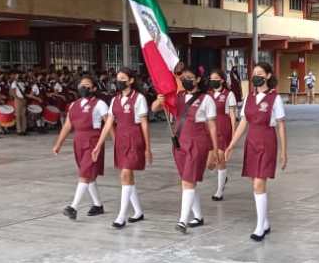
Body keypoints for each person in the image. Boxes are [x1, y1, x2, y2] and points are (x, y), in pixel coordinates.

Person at [154, 68, 222, 233]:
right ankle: (198, 216)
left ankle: (182, 221)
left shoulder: (206, 99)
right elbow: (154, 108)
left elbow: (212, 126)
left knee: (187, 181)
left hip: (197, 143)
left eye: (190, 77)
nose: (186, 80)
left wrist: (214, 150)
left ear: (198, 79)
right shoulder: (177, 97)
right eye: (183, 77)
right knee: (188, 181)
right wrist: (159, 100)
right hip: (179, 143)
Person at [225, 62, 288, 241]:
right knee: (255, 183)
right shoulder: (249, 98)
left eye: (260, 73)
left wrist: (284, 151)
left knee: (259, 184)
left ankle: (260, 227)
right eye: (254, 74)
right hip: (251, 141)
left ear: (268, 76)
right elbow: (243, 123)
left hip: (267, 141)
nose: (256, 76)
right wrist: (231, 145)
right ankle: (265, 221)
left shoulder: (275, 98)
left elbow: (281, 125)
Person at [92, 68, 151, 229]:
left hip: (134, 138)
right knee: (127, 177)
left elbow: (144, 124)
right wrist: (98, 145)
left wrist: (147, 147)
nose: (119, 81)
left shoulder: (139, 98)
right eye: (117, 78)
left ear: (131, 80)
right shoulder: (115, 100)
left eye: (123, 78)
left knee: (125, 174)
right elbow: (108, 124)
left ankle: (121, 216)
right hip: (121, 139)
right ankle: (138, 212)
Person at [53, 74, 108, 220]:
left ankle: (73, 207)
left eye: (87, 85)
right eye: (81, 85)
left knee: (85, 173)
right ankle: (98, 205)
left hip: (93, 141)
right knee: (88, 175)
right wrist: (58, 144)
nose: (83, 87)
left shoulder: (100, 104)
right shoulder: (74, 105)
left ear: (94, 88)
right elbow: (67, 126)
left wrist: (116, 142)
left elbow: (109, 124)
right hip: (78, 141)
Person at [208, 69, 238, 201]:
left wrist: (234, 133)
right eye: (211, 79)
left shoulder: (229, 94)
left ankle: (219, 191)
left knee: (220, 158)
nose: (213, 81)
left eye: (216, 78)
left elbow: (232, 115)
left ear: (222, 80)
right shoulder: (208, 95)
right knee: (210, 164)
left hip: (223, 128)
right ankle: (223, 176)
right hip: (210, 128)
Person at [10, 71, 28, 135]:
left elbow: (24, 92)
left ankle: (24, 129)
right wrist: (18, 98)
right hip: (17, 100)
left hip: (23, 99)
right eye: (17, 76)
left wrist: (24, 99)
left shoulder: (22, 83)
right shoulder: (14, 83)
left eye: (19, 75)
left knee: (23, 115)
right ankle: (19, 130)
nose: (18, 77)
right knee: (18, 115)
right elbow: (13, 93)